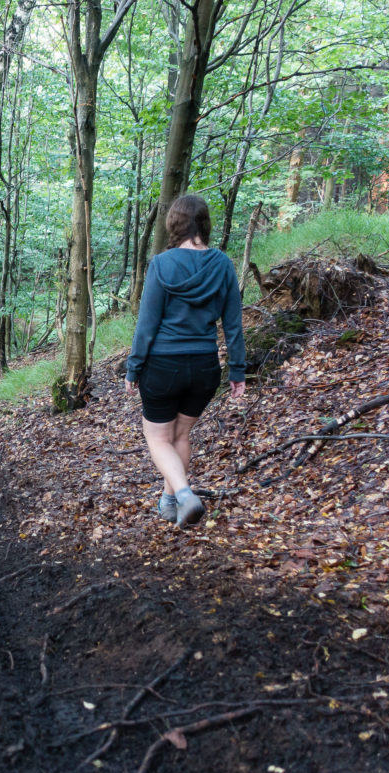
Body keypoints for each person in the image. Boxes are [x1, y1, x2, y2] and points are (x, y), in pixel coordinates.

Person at [124, 194, 246, 528]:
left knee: (159, 438)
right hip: (204, 367)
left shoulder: (162, 264)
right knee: (180, 435)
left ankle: (184, 493)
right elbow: (233, 324)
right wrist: (238, 370)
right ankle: (169, 504)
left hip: (163, 366)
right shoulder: (222, 264)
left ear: (174, 224)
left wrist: (134, 367)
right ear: (205, 224)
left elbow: (147, 324)